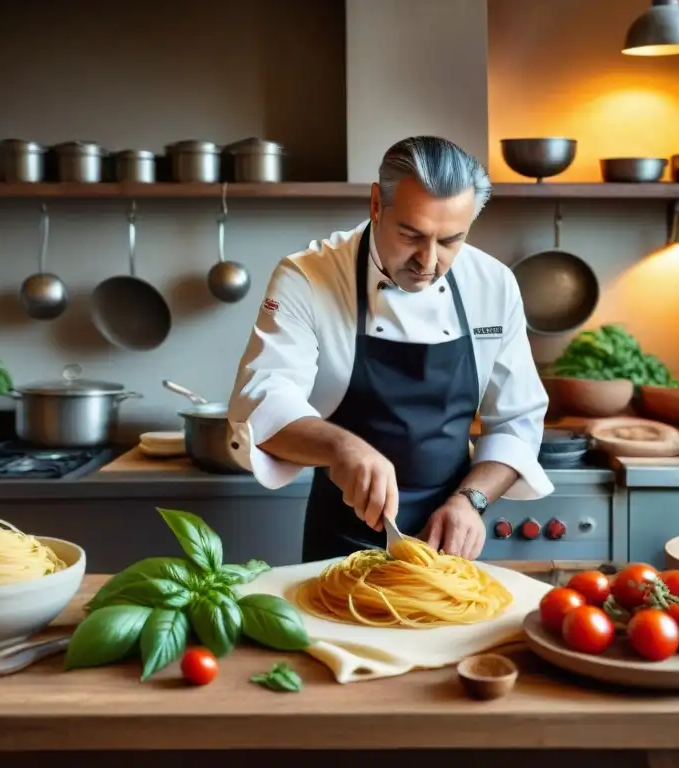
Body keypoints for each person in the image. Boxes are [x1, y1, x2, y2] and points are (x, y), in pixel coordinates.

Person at [227, 135, 554, 563]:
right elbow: (261, 400)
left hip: (450, 542)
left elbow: (517, 422)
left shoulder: (493, 285)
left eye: (451, 240)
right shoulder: (307, 277)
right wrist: (343, 448)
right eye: (411, 235)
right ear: (376, 205)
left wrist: (471, 501)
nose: (428, 261)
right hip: (338, 543)